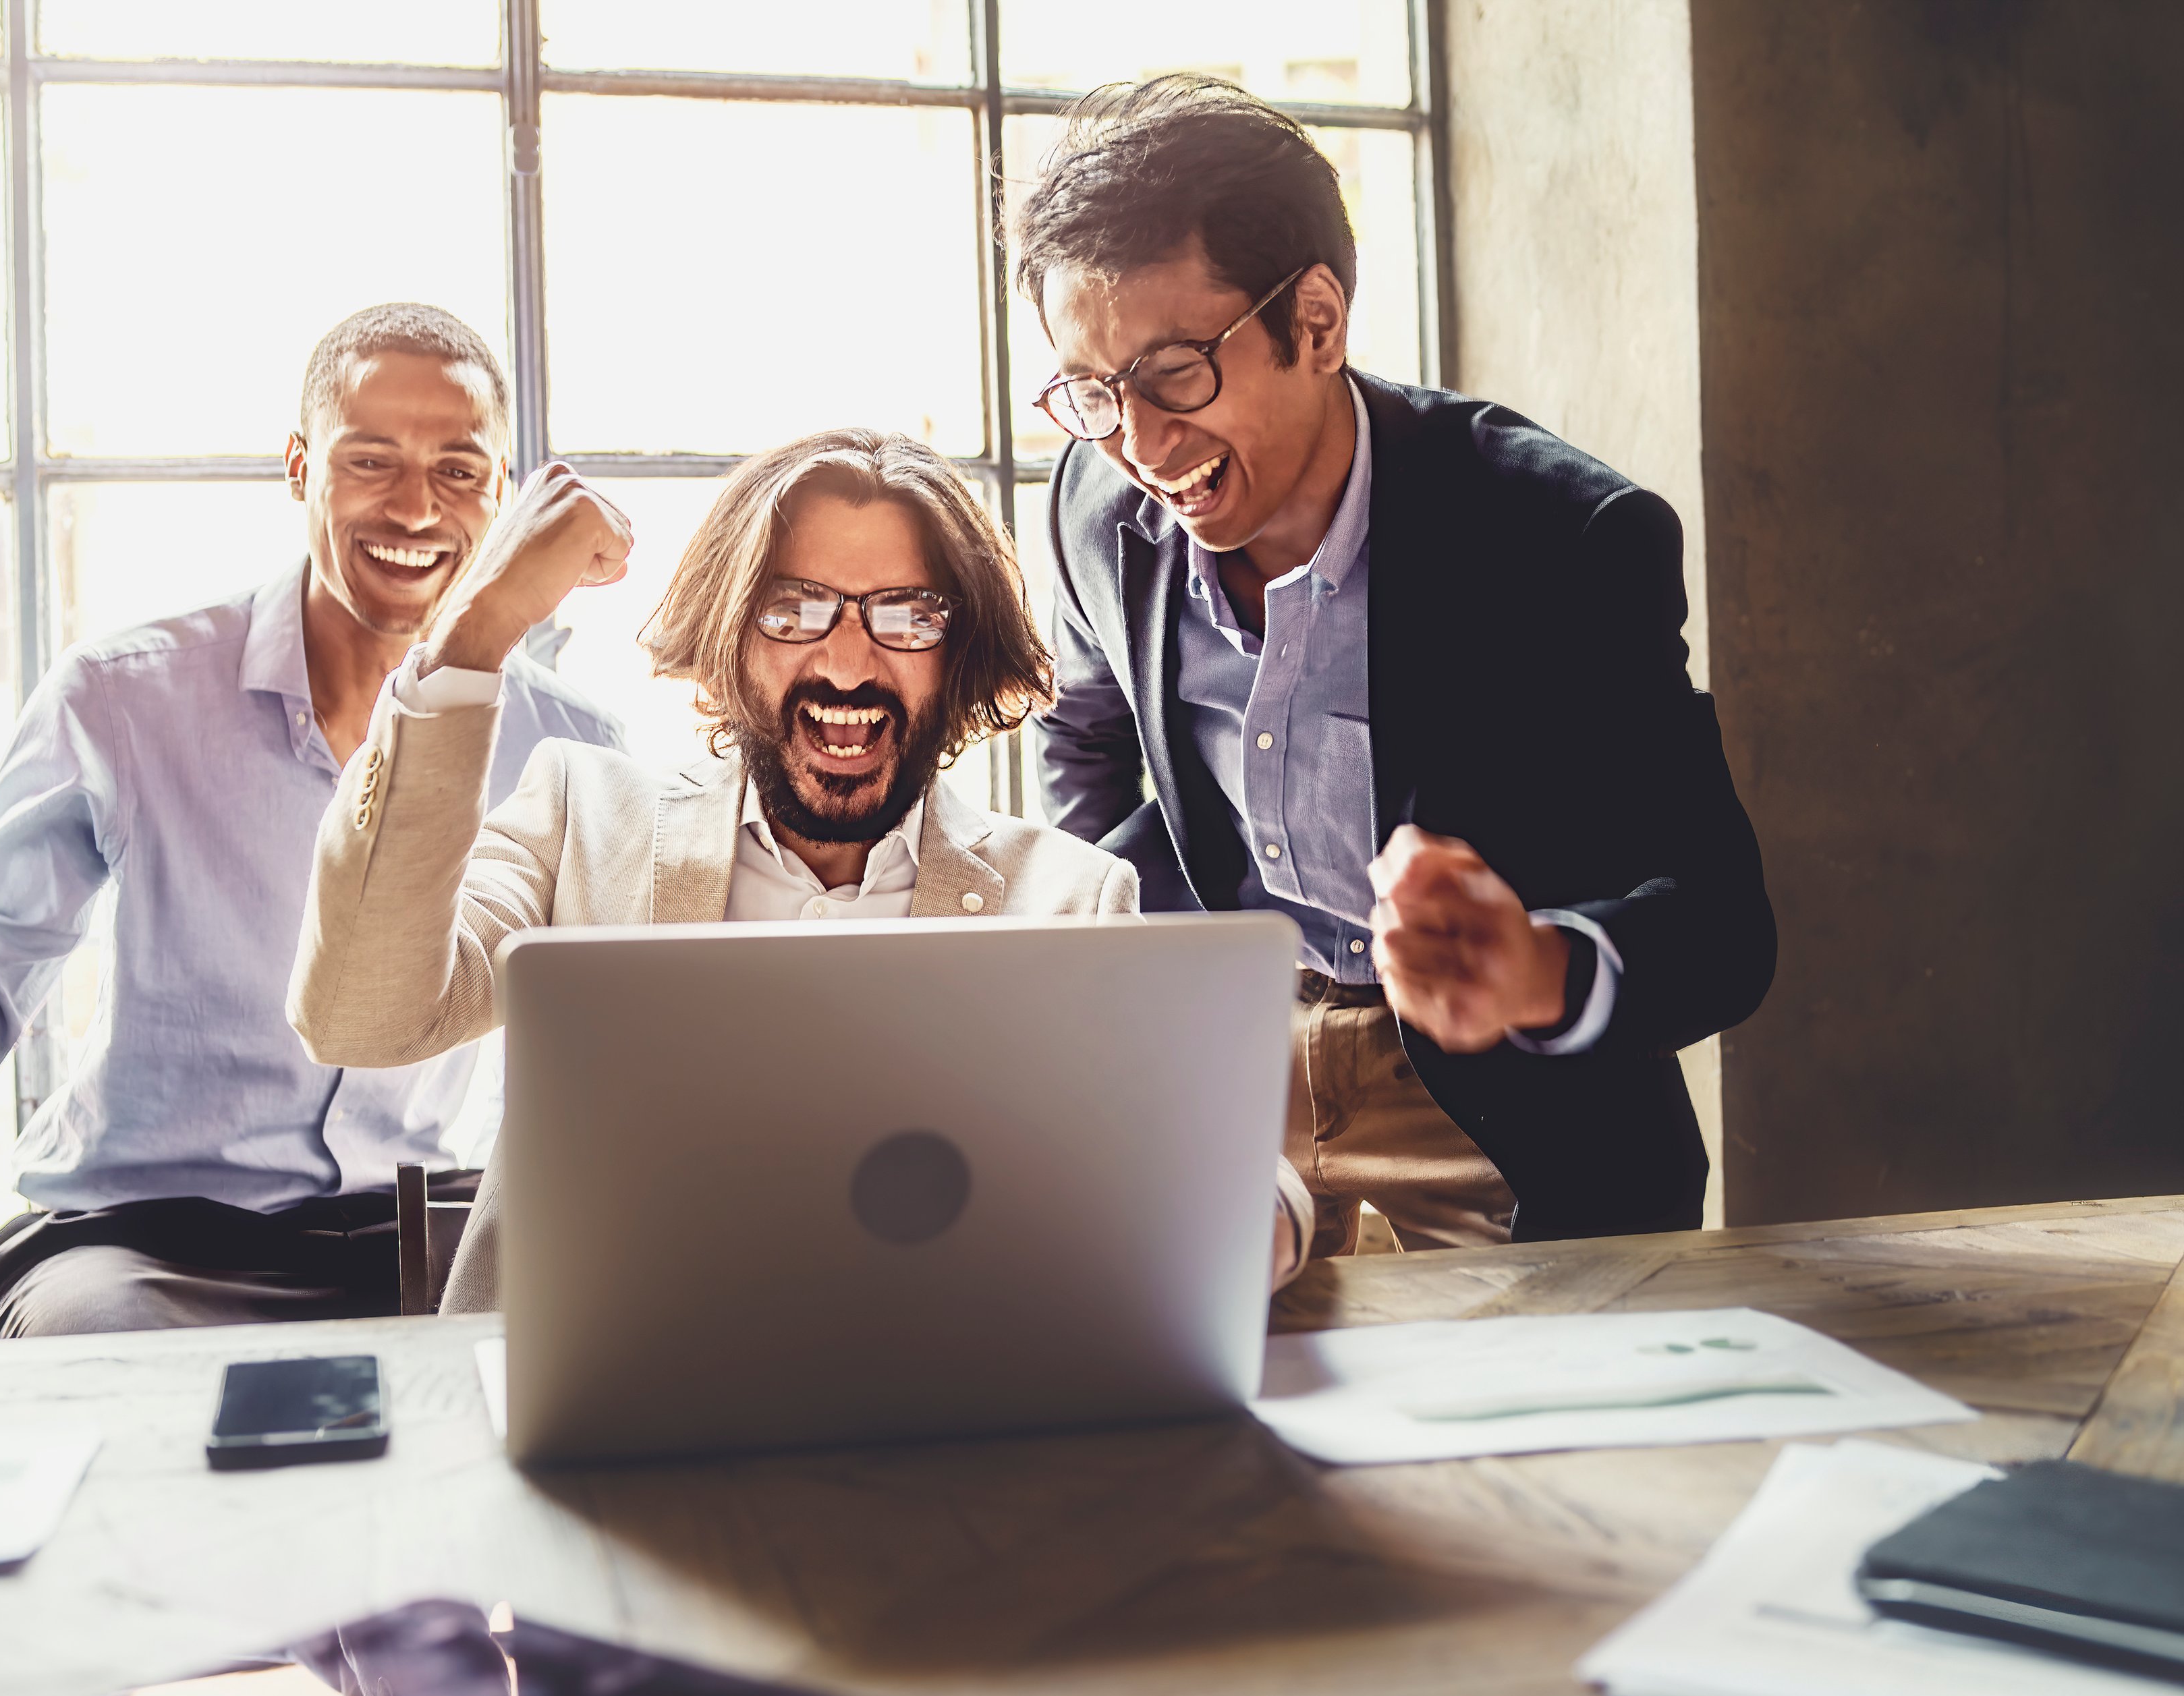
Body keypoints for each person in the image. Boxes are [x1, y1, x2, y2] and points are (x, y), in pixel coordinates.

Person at [1013, 77, 1775, 1300]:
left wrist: (1537, 969)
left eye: (1174, 375)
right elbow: (1091, 743)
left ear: (1316, 320)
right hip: (1226, 1065)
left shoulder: (1564, 537)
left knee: (1542, 1464)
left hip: (1495, 1105)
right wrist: (1135, 974)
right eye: (1092, 391)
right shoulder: (1094, 504)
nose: (1141, 447)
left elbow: (1724, 925)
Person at [287, 428, 1319, 1313]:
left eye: (909, 615)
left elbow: (1231, 1173)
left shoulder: (1070, 898)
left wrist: (1253, 1218)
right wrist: (474, 634)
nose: (848, 660)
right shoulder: (579, 818)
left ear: (960, 655)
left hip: (923, 1442)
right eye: (793, 609)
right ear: (731, 638)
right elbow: (361, 1016)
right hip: (592, 1441)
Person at [0, 304, 622, 1336]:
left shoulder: (567, 745)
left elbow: (623, 1062)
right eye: (371, 461)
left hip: (427, 1234)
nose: (416, 509)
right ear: (298, 466)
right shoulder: (126, 699)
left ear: (503, 500)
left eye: (459, 470)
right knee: (94, 1354)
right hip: (149, 1245)